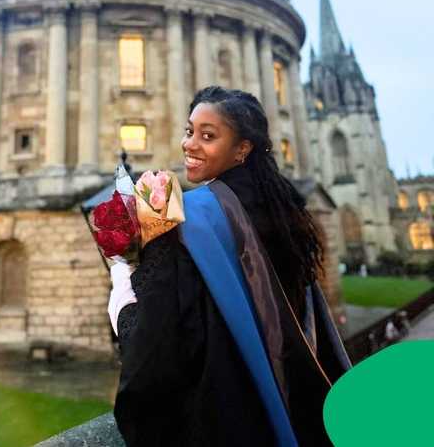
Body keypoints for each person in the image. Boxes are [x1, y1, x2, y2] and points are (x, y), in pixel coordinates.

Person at [109, 86, 351, 447]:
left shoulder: (184, 221)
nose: (189, 144)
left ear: (243, 148)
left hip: (229, 421)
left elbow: (153, 359)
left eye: (208, 136)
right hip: (297, 411)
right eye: (189, 131)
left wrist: (122, 300)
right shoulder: (286, 212)